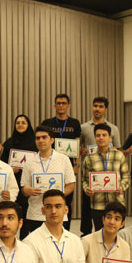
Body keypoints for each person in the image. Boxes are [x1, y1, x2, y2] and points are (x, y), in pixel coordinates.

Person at [19, 126, 76, 239]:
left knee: (57, 244)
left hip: (57, 213)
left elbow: (71, 185)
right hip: (35, 213)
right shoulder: (29, 162)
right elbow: (24, 188)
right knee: (37, 246)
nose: (40, 140)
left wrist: (57, 197)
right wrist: (28, 190)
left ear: (52, 140)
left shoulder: (64, 159)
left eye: (44, 137)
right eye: (38, 138)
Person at [80, 97, 122, 235]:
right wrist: (81, 151)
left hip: (110, 172)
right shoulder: (84, 127)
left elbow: (118, 148)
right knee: (89, 210)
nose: (97, 109)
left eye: (100, 106)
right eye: (95, 106)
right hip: (92, 172)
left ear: (106, 109)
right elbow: (77, 148)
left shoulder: (114, 128)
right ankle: (87, 234)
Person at [40, 94, 81, 230]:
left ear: (69, 106)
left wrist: (76, 164)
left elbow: (78, 144)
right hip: (50, 164)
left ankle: (65, 229)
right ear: (54, 105)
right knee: (49, 198)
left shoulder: (74, 123)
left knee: (66, 199)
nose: (61, 106)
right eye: (58, 103)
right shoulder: (48, 123)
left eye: (64, 103)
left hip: (68, 165)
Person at [80, 123, 129, 231]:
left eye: (104, 135)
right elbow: (85, 180)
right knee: (100, 235)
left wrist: (122, 187)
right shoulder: (89, 159)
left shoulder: (119, 155)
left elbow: (126, 177)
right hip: (98, 204)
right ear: (95, 138)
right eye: (98, 135)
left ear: (110, 138)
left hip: (117, 202)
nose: (101, 138)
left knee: (118, 235)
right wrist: (87, 189)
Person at [1, 114, 37, 218]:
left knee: (27, 210)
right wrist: (11, 169)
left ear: (28, 125)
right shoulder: (9, 143)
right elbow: (2, 163)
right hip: (13, 180)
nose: (20, 125)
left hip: (29, 181)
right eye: (18, 123)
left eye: (23, 123)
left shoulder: (35, 143)